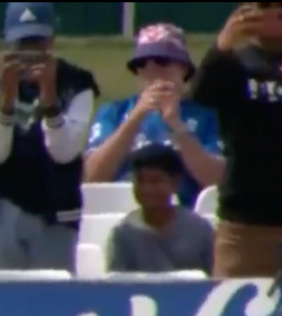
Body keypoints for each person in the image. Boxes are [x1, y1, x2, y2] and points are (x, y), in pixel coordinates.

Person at [0, 2, 100, 272]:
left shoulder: (77, 83)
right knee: (4, 295)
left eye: (37, 43)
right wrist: (5, 103)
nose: (30, 54)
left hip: (57, 205)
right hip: (4, 202)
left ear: (52, 38)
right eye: (22, 44)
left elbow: (65, 153)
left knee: (54, 296)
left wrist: (51, 102)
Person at [188, 2, 282, 279]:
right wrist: (222, 46)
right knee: (235, 314)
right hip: (244, 224)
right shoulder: (236, 62)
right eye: (265, 6)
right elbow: (202, 95)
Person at [85, 23, 224, 208]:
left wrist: (176, 125)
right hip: (120, 212)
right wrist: (134, 119)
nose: (152, 70)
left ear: (183, 68)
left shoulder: (207, 116)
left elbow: (217, 181)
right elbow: (92, 177)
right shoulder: (114, 112)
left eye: (162, 61)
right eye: (142, 64)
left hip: (184, 215)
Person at [106, 144, 214, 275]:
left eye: (155, 181)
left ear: (175, 183)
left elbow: (213, 279)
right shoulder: (123, 233)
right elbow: (117, 283)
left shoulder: (200, 230)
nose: (147, 189)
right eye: (140, 181)